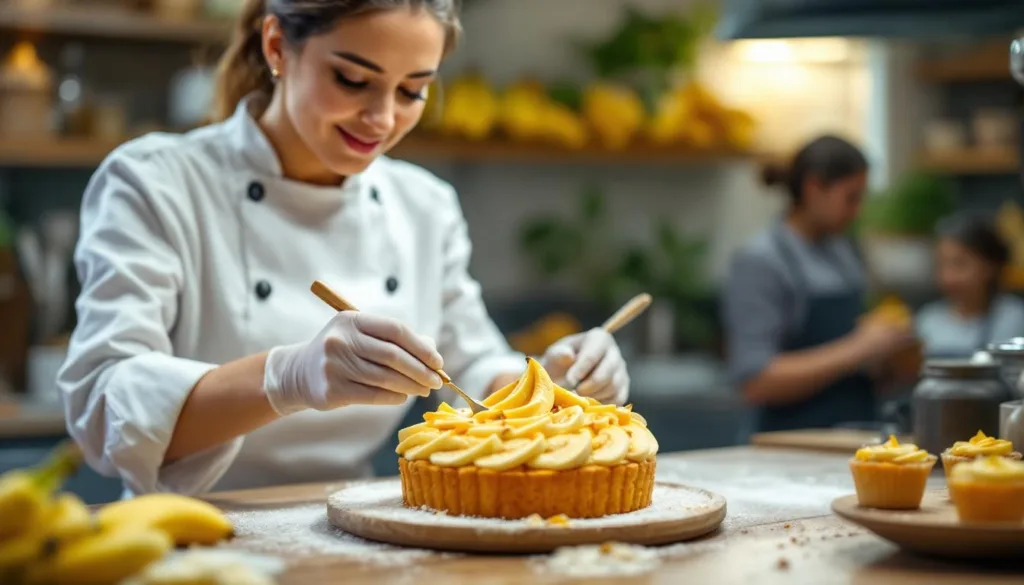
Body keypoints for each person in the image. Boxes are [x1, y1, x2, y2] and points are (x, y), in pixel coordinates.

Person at [57, 0, 630, 498]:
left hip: (353, 527)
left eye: (413, 90)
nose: (382, 119)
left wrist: (544, 383)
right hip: (186, 535)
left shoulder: (422, 205)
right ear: (278, 45)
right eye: (354, 81)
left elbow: (472, 365)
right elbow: (104, 409)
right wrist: (286, 376)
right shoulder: (156, 182)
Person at [722, 135, 915, 433]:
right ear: (814, 189)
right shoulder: (760, 261)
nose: (858, 210)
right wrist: (859, 348)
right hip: (787, 444)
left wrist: (888, 357)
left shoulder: (846, 252)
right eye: (851, 197)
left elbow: (858, 356)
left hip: (855, 434)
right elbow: (756, 380)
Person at [916, 212, 1024, 358]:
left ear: (990, 265)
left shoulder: (1015, 319)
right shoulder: (927, 321)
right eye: (941, 265)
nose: (948, 277)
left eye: (960, 264)